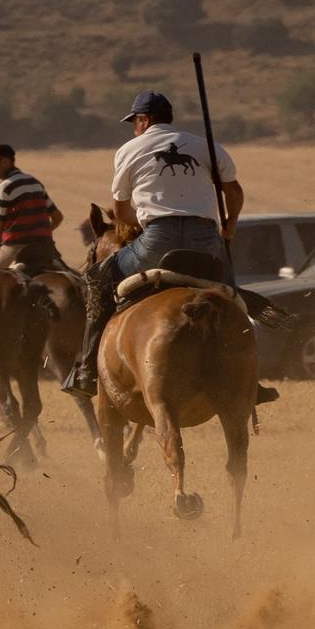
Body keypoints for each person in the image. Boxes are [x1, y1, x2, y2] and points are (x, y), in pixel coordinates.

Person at [62, 91, 243, 399]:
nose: (134, 128)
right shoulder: (205, 146)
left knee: (98, 279)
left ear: (143, 120)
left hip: (157, 241)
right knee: (233, 298)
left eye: (135, 122)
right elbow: (234, 193)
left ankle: (87, 370)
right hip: (206, 241)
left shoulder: (129, 149)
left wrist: (143, 224)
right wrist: (229, 227)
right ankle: (250, 379)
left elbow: (119, 211)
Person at [0, 145, 66, 272]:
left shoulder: (4, 187)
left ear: (5, 162)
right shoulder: (35, 183)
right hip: (45, 247)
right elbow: (58, 217)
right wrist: (40, 234)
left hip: (16, 247)